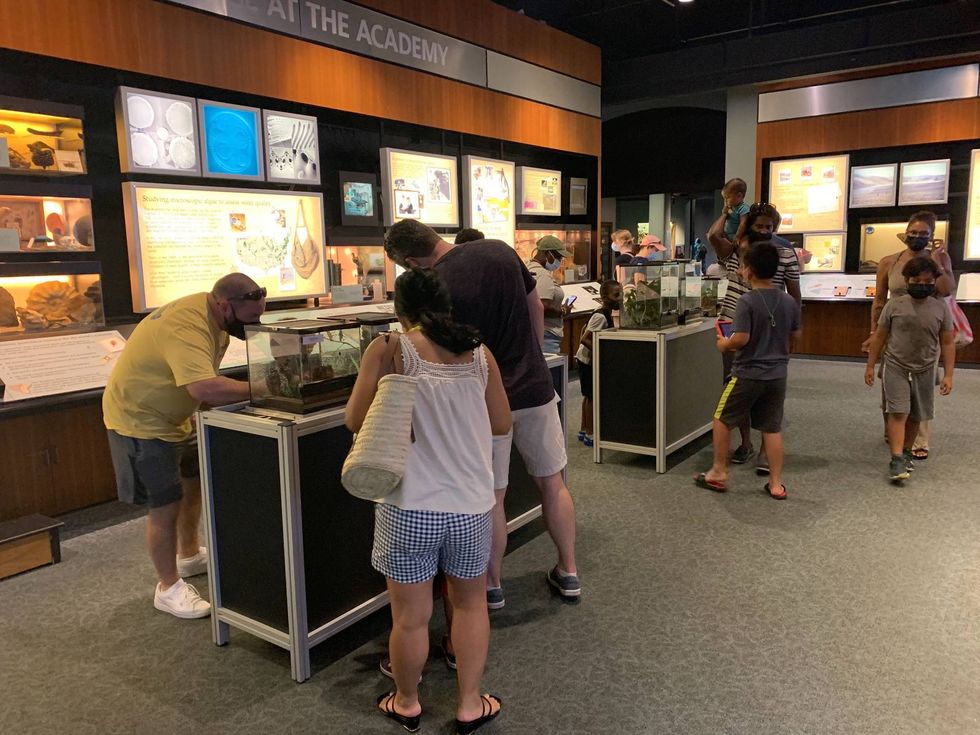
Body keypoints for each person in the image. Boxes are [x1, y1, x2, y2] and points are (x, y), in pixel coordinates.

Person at [384, 221, 580, 609]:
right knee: (552, 483)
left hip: (485, 400)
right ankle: (569, 570)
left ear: (410, 261)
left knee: (494, 496)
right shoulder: (500, 250)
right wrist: (532, 358)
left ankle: (491, 585)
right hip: (535, 388)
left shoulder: (435, 284)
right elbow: (534, 307)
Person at [347, 268, 509, 734]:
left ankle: (407, 701)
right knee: (471, 606)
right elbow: (500, 422)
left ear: (400, 310)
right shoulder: (481, 355)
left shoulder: (389, 349)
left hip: (408, 505)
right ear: (445, 304)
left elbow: (354, 418)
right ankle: (470, 704)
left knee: (411, 617)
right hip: (471, 504)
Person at [103, 274, 266, 619]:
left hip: (178, 417)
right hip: (141, 420)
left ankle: (189, 554)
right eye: (250, 318)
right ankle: (168, 587)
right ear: (224, 305)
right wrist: (265, 387)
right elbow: (206, 388)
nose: (255, 325)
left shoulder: (216, 317)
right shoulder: (186, 326)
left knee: (193, 484)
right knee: (165, 504)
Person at [695, 242, 801, 499]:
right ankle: (776, 484)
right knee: (772, 428)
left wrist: (723, 344)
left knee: (721, 420)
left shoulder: (747, 301)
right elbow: (795, 337)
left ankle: (719, 471)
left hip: (747, 374)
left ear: (749, 270)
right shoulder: (789, 301)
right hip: (777, 375)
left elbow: (740, 338)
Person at [708, 202, 800, 469]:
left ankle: (763, 450)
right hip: (733, 321)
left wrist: (795, 326)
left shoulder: (784, 253)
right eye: (758, 226)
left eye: (768, 227)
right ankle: (745, 442)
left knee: (766, 392)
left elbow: (794, 290)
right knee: (736, 385)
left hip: (767, 323)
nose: (763, 231)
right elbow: (714, 236)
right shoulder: (737, 250)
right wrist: (727, 210)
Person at [865, 210, 954, 461]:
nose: (916, 237)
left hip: (926, 329)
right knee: (891, 381)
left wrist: (937, 259)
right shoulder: (889, 262)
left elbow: (947, 290)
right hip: (894, 325)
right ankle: (894, 431)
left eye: (923, 234)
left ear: (932, 236)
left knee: (922, 386)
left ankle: (917, 440)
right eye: (912, 233)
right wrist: (873, 332)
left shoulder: (939, 259)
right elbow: (880, 298)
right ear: (905, 234)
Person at [575, 280, 621, 448]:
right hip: (587, 361)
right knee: (591, 396)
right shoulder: (600, 316)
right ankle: (590, 432)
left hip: (588, 359)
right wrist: (601, 352)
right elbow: (585, 338)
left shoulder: (606, 314)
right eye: (615, 295)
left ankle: (583, 428)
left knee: (588, 395)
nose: (619, 298)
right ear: (604, 297)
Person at [527, 234, 573, 354]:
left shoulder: (528, 268)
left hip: (537, 333)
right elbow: (542, 306)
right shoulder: (542, 274)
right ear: (548, 254)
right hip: (547, 334)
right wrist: (562, 311)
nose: (560, 261)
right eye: (558, 257)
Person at [722, 178, 750, 244]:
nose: (725, 201)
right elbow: (727, 216)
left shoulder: (743, 208)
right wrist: (725, 211)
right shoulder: (731, 207)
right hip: (727, 235)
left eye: (727, 197)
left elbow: (743, 224)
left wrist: (737, 237)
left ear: (739, 196)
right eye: (724, 198)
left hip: (736, 236)